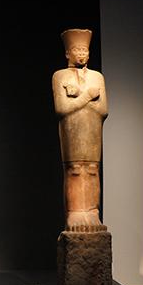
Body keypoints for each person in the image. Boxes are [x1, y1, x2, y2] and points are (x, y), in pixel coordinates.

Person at [52, 29, 108, 232]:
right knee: (75, 169)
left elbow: (103, 110)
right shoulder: (60, 76)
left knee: (92, 170)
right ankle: (74, 213)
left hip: (92, 128)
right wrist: (87, 97)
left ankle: (92, 211)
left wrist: (80, 96)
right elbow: (61, 109)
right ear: (68, 53)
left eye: (85, 50)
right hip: (72, 129)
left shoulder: (97, 77)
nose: (82, 53)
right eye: (77, 49)